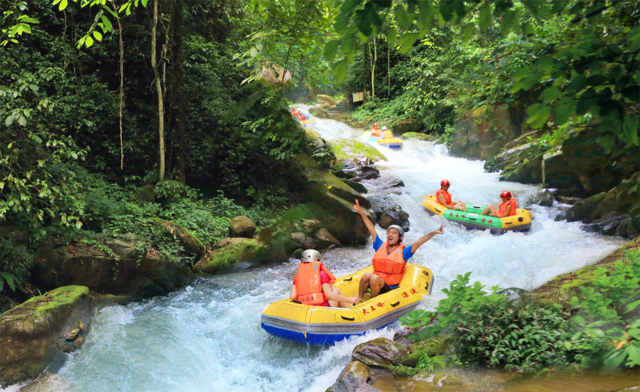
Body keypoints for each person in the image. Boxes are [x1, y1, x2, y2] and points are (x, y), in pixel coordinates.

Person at [353, 199, 445, 302]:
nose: (390, 235)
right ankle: (359, 299)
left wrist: (433, 233)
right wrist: (361, 212)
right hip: (376, 281)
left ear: (400, 238)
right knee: (367, 275)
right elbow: (371, 228)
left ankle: (372, 301)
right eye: (388, 233)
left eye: (394, 233)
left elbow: (419, 242)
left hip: (389, 287)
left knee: (374, 278)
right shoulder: (380, 245)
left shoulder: (404, 252)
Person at [290, 249, 358, 308]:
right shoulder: (322, 274)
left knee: (332, 290)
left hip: (305, 307)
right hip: (323, 308)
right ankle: (351, 309)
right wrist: (350, 300)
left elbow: (293, 297)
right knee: (335, 289)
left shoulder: (298, 276)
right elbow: (329, 295)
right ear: (318, 260)